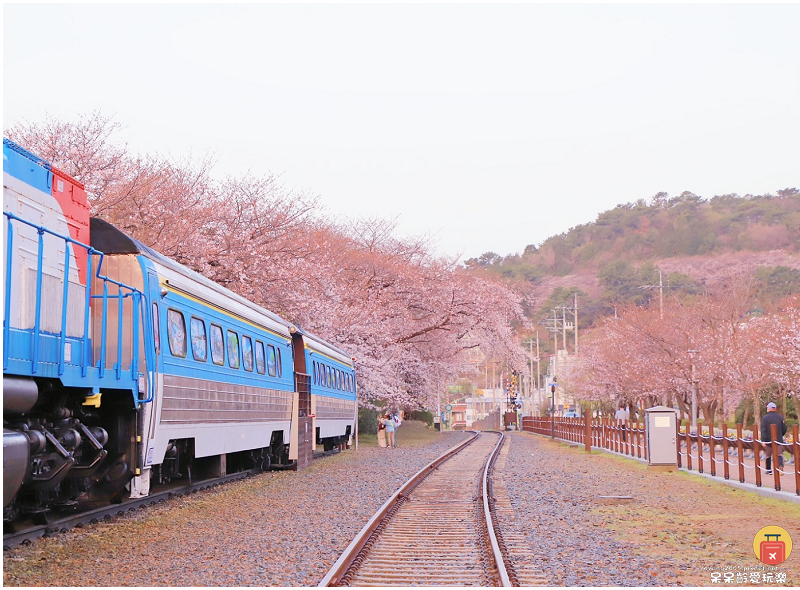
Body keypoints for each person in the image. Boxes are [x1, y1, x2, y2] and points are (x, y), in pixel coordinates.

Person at [761, 402, 787, 475]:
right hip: (778, 439)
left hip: (768, 440)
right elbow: (784, 428)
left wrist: (763, 440)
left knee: (768, 455)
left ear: (768, 409)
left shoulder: (765, 418)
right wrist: (781, 435)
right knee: (779, 454)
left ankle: (769, 470)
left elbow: (763, 430)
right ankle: (780, 468)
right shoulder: (780, 417)